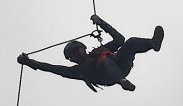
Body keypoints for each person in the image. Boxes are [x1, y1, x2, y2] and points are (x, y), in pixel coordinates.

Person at [17, 15, 164, 92]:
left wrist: (101, 23)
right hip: (108, 77)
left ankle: (152, 44)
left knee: (130, 42)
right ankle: (122, 82)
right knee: (104, 61)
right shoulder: (78, 71)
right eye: (72, 56)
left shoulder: (97, 52)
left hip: (120, 65)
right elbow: (51, 68)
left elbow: (120, 39)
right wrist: (29, 62)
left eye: (76, 52)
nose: (75, 56)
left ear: (82, 49)